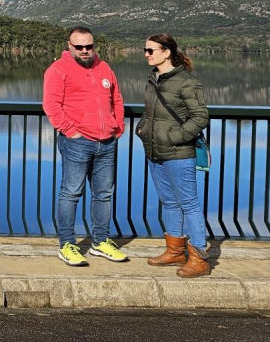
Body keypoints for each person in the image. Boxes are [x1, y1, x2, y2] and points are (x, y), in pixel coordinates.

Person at [42, 26, 129, 266]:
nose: (84, 50)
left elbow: (117, 99)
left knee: (104, 194)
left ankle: (100, 242)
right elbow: (51, 105)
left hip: (107, 142)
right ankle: (67, 244)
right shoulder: (58, 70)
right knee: (71, 193)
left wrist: (117, 127)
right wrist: (72, 132)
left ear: (94, 46)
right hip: (77, 143)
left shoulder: (104, 67)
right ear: (69, 46)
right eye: (79, 46)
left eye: (88, 46)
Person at [137, 33, 211, 278]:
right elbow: (149, 114)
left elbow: (200, 117)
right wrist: (142, 130)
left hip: (179, 153)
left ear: (166, 52)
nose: (146, 54)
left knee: (189, 203)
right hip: (155, 151)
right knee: (168, 202)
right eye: (145, 50)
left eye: (151, 50)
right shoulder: (153, 79)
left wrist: (174, 137)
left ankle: (199, 257)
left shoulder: (186, 83)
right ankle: (175, 251)